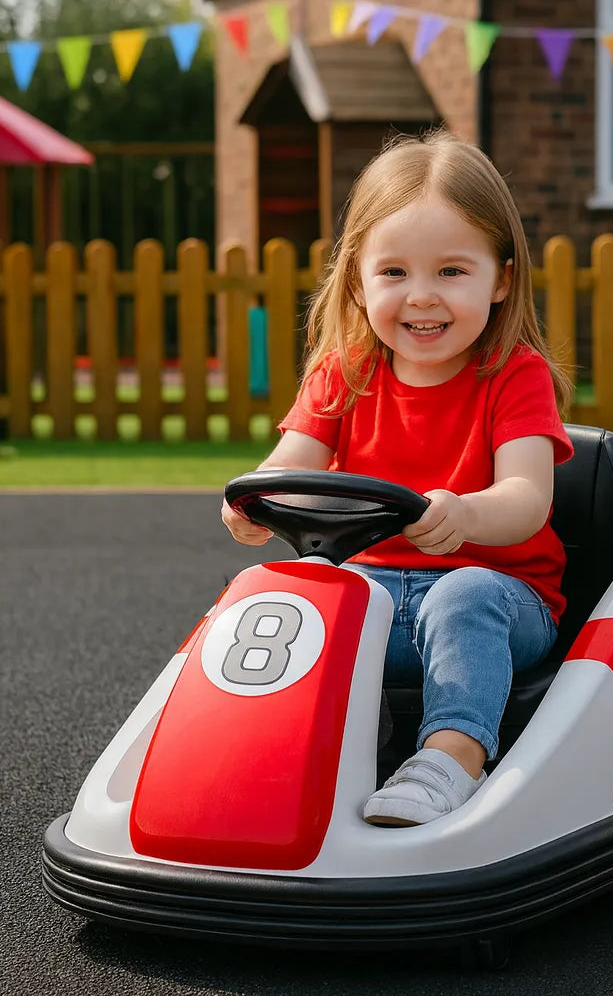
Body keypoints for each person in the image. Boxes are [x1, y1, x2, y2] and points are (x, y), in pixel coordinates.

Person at [222, 130, 574, 827]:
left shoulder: (514, 376)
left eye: (451, 271)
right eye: (394, 273)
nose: (421, 297)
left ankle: (451, 759)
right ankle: (264, 752)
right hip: (374, 592)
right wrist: (255, 501)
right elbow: (289, 465)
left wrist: (466, 515)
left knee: (464, 594)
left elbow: (528, 499)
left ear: (501, 279)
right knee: (279, 594)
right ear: (358, 280)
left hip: (502, 599)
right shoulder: (344, 371)